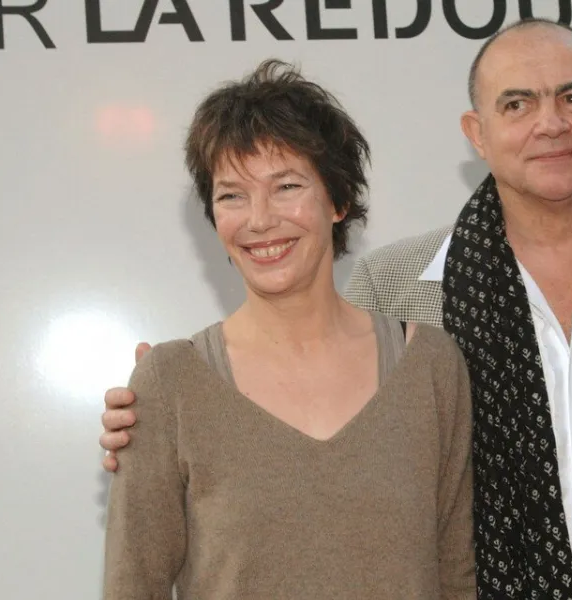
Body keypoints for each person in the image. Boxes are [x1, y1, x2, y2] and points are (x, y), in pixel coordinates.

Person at [99, 19, 572, 600]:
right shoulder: (398, 285)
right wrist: (158, 410)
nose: (550, 124)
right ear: (477, 133)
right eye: (516, 103)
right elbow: (307, 405)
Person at [101, 59, 476, 599]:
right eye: (232, 195)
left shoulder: (431, 366)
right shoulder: (170, 382)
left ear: (338, 200)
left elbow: (458, 576)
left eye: (287, 186)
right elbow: (133, 587)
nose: (259, 219)